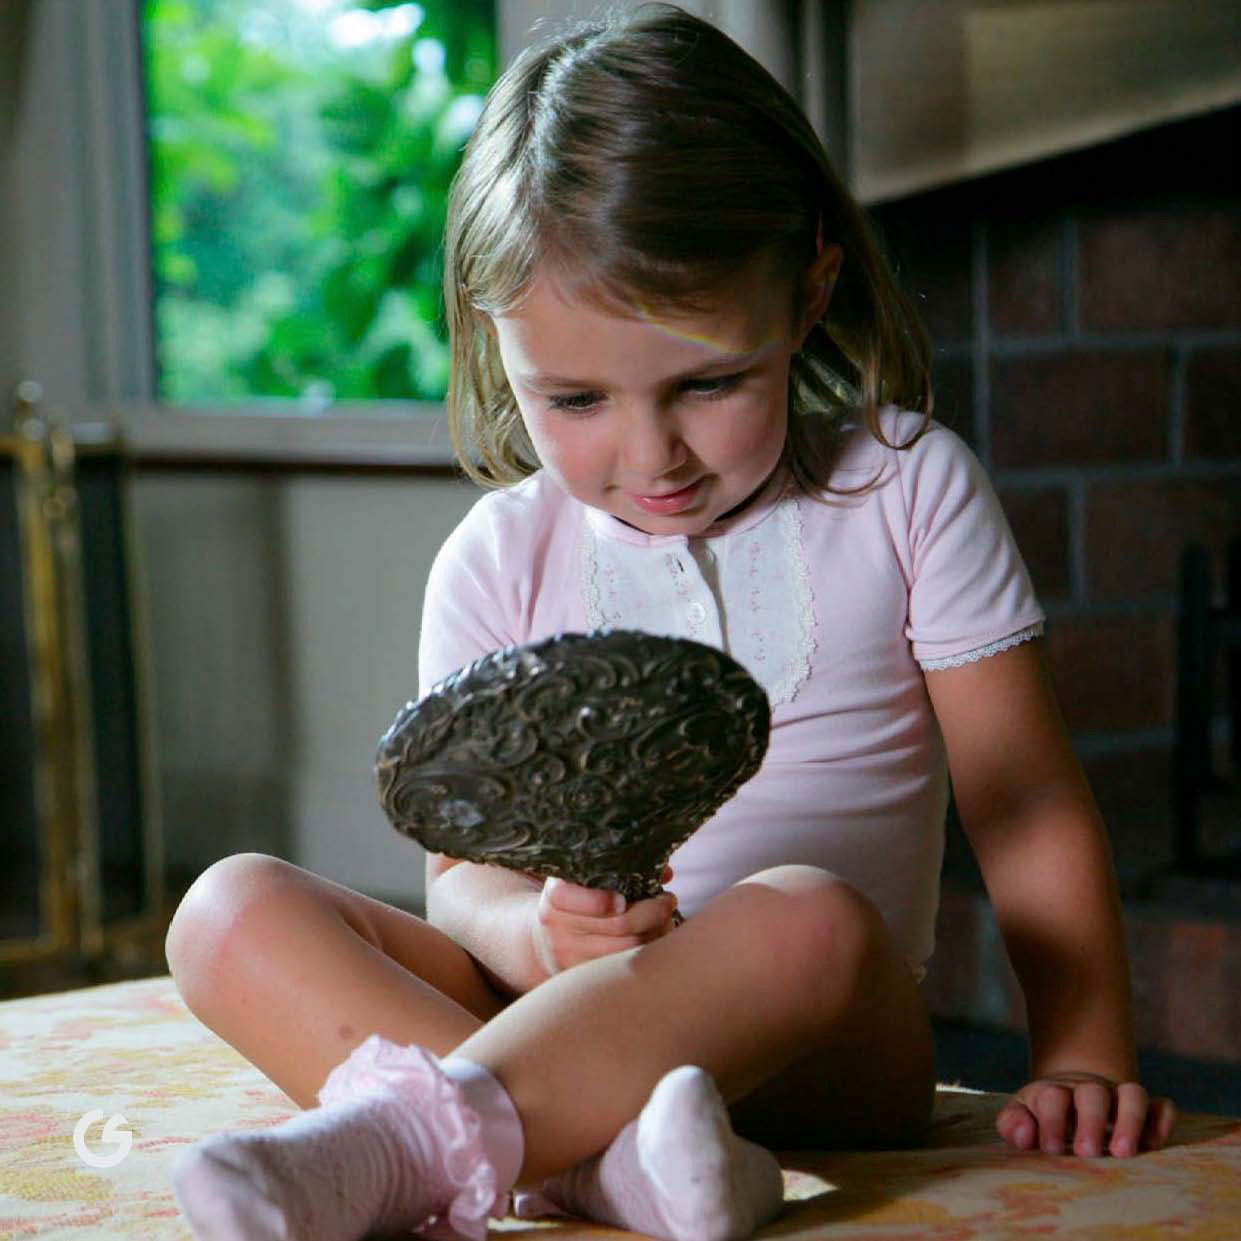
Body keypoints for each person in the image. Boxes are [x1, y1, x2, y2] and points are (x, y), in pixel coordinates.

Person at [164, 5, 1177, 1239]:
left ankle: (422, 1141)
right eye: (576, 397)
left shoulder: (904, 491)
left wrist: (1079, 1046)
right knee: (226, 910)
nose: (652, 457)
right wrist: (537, 934)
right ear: (497, 341)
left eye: (708, 382)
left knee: (797, 901)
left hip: (819, 1031)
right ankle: (604, 1167)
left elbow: (1021, 800)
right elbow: (461, 887)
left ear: (807, 290)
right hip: (558, 1003)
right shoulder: (497, 555)